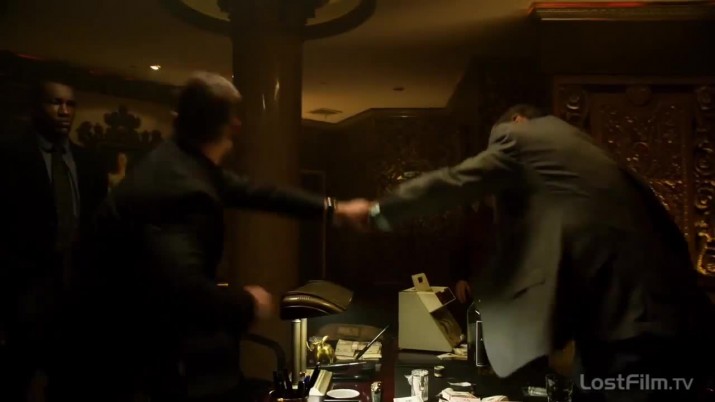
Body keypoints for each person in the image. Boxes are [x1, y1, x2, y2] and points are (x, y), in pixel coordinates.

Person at [362, 104, 715, 401]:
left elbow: (454, 182)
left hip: (632, 338)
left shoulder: (525, 137)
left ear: (518, 123)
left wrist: (378, 210)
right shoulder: (590, 161)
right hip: (679, 333)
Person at [55, 72, 368, 402]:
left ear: (177, 119)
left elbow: (255, 192)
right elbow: (185, 290)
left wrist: (334, 209)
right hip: (114, 356)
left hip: (117, 339)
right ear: (233, 126)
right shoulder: (183, 188)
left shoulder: (179, 160)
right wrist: (248, 303)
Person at [0, 80, 108, 401]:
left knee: (71, 378)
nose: (64, 111)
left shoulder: (88, 163)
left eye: (70, 104)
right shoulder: (10, 157)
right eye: (55, 103)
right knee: (18, 374)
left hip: (77, 288)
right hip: (26, 288)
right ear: (36, 108)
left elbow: (98, 225)